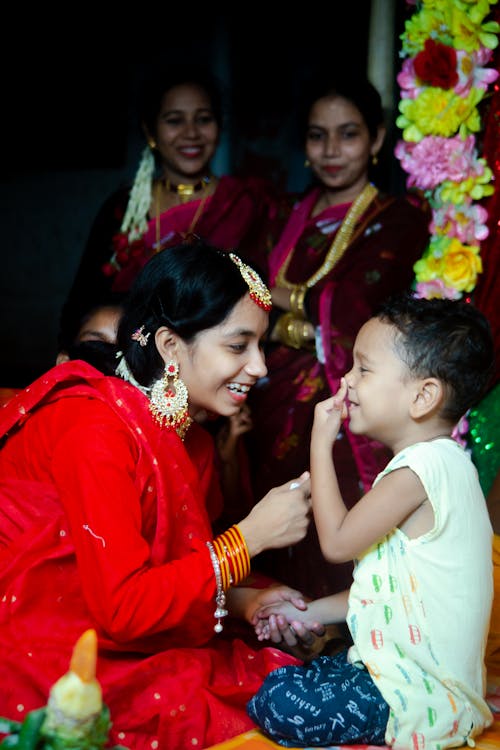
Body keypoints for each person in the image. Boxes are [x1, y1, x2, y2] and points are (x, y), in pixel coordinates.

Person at [0, 242, 324, 750]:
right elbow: (123, 607)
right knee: (230, 695)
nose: (260, 368)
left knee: (281, 680)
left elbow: (176, 568)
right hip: (39, 636)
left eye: (262, 347)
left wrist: (245, 602)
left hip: (111, 624)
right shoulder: (93, 427)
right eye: (239, 347)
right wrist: (249, 539)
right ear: (171, 346)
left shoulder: (188, 437)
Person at [247, 293, 495, 748]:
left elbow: (338, 544)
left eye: (364, 368)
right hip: (407, 675)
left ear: (423, 396)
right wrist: (303, 610)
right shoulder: (442, 464)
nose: (346, 380)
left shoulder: (419, 469)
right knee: (304, 670)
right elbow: (385, 592)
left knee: (275, 698)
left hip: (417, 693)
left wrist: (320, 443)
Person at [245, 71, 432, 601]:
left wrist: (274, 304)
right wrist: (292, 314)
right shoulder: (283, 215)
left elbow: (355, 304)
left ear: (376, 140)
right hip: (263, 394)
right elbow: (246, 288)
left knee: (325, 512)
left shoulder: (397, 218)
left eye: (348, 134)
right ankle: (267, 615)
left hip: (340, 397)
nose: (331, 150)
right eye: (317, 135)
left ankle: (328, 624)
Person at [59, 64, 280, 349]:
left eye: (203, 119)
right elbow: (83, 302)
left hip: (216, 366)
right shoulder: (124, 210)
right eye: (174, 120)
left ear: (220, 126)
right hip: (129, 361)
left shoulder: (247, 204)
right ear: (150, 131)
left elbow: (263, 297)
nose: (191, 133)